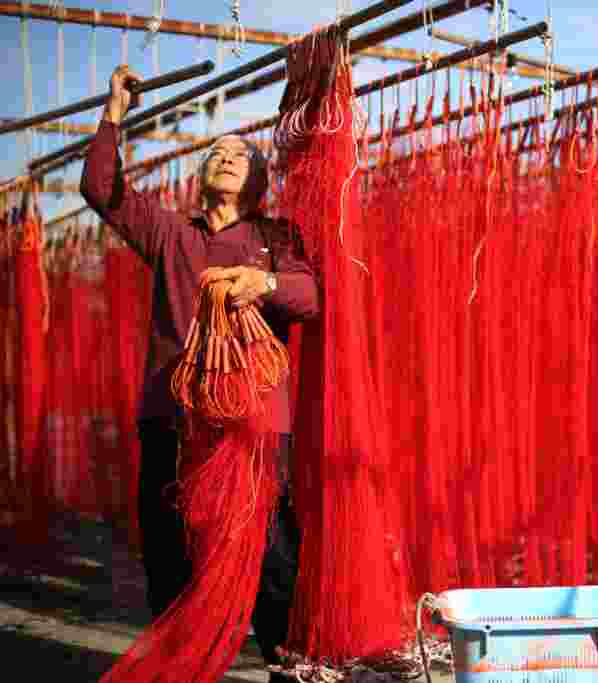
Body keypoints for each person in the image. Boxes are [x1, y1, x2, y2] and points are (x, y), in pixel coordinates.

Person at [80, 65, 318, 678]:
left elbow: (311, 296)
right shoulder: (169, 233)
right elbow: (101, 190)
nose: (228, 156)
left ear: (260, 179)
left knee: (269, 554)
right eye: (217, 151)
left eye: (241, 154)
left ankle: (284, 666)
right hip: (172, 414)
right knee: (170, 554)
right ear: (202, 175)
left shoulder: (275, 236)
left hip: (253, 423)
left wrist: (261, 281)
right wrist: (114, 112)